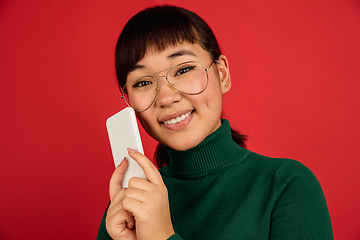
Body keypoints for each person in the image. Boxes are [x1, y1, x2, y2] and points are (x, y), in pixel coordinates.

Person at [97, 5, 333, 240]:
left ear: (222, 75)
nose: (167, 98)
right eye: (142, 83)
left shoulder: (287, 186)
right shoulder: (128, 208)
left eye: (184, 69)